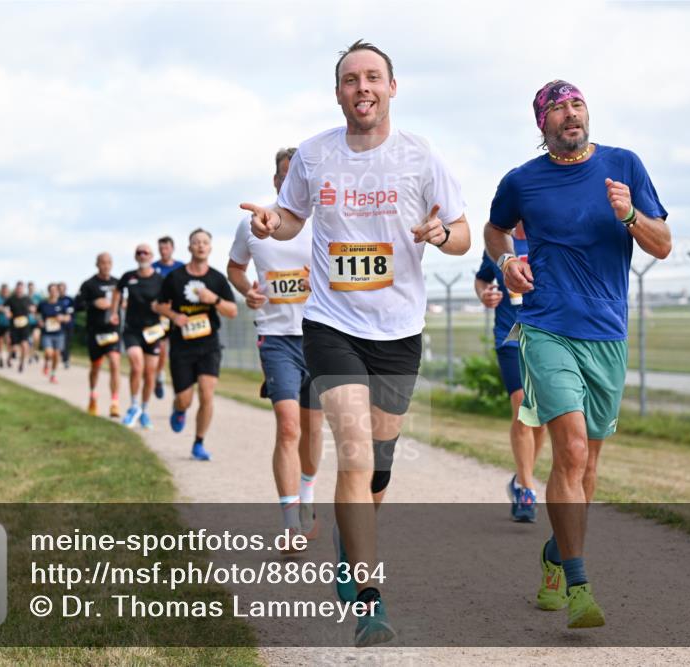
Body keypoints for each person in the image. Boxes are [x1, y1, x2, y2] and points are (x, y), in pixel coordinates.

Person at [240, 40, 469, 647]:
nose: (361, 87)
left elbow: (466, 234)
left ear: (393, 87)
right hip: (331, 324)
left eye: (373, 77)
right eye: (349, 79)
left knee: (380, 467)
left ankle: (352, 541)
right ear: (337, 91)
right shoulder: (315, 155)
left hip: (399, 331)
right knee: (356, 454)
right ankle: (370, 596)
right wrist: (271, 222)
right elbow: (290, 217)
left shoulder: (421, 155)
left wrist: (441, 232)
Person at [485, 79, 671, 629]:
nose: (570, 114)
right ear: (541, 124)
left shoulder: (624, 165)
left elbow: (662, 244)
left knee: (588, 465)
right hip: (545, 328)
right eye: (558, 108)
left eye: (577, 104)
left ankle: (554, 554)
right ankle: (580, 585)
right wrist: (507, 262)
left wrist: (629, 215)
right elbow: (495, 234)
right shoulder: (522, 180)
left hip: (607, 335)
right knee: (567, 452)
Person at [228, 147, 322, 540]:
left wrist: (319, 281)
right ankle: (290, 522)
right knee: (287, 428)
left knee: (313, 430)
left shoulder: (324, 221)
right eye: (287, 175)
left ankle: (307, 496)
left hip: (320, 336)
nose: (293, 181)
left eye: (301, 174)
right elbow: (235, 267)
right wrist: (248, 290)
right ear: (276, 180)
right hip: (276, 337)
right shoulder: (253, 224)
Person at [474, 222, 546, 522]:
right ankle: (527, 490)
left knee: (540, 417)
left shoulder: (550, 237)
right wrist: (485, 295)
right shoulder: (499, 244)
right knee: (522, 407)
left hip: (547, 336)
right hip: (511, 336)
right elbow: (482, 280)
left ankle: (520, 478)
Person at [154, 229, 237, 461]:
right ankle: (179, 409)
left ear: (210, 248)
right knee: (185, 398)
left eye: (205, 242)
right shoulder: (175, 277)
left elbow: (232, 311)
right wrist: (174, 316)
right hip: (182, 345)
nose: (200, 246)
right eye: (196, 242)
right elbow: (158, 305)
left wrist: (215, 300)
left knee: (207, 393)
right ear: (189, 248)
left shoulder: (217, 279)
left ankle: (198, 443)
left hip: (209, 344)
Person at [110, 244, 165, 429]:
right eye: (139, 253)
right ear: (135, 256)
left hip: (153, 331)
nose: (142, 255)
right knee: (136, 364)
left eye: (146, 253)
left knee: (150, 373)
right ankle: (133, 406)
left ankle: (144, 410)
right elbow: (117, 291)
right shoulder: (128, 276)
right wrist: (114, 311)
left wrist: (161, 308)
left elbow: (168, 300)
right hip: (132, 329)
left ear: (151, 256)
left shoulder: (159, 279)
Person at [79, 252, 122, 418]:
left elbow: (124, 301)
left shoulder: (117, 283)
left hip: (112, 330)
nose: (106, 265)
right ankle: (93, 395)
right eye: (103, 262)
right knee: (95, 368)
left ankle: (114, 403)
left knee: (115, 362)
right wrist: (93, 303)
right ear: (97, 264)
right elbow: (78, 305)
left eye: (109, 262)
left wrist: (122, 305)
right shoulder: (89, 284)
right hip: (95, 332)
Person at [152, 236, 185, 399]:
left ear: (172, 249)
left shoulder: (181, 268)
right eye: (161, 249)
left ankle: (181, 387)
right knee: (162, 347)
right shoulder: (153, 268)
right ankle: (159, 375)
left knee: (179, 351)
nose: (163, 251)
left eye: (166, 248)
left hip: (179, 313)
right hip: (162, 314)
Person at [37, 283, 70, 384]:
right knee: (48, 353)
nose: (54, 292)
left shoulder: (61, 304)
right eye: (51, 290)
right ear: (49, 292)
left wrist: (63, 318)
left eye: (55, 290)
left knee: (56, 355)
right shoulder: (43, 304)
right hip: (47, 333)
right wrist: (40, 321)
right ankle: (46, 363)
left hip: (59, 333)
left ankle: (53, 374)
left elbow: (68, 317)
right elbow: (37, 315)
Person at [6, 281, 35, 372]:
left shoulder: (27, 299)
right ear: (16, 289)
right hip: (14, 325)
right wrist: (7, 312)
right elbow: (5, 307)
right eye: (18, 288)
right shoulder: (11, 299)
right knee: (14, 347)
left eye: (21, 288)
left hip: (25, 326)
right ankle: (9, 358)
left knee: (24, 345)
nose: (19, 290)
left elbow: (33, 308)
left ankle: (21, 364)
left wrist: (32, 309)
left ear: (23, 289)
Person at [57, 282, 76, 370]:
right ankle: (65, 359)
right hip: (58, 326)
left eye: (63, 288)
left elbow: (72, 311)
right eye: (59, 289)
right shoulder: (56, 300)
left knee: (67, 343)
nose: (61, 290)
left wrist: (65, 317)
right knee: (61, 343)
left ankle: (65, 359)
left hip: (69, 325)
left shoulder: (70, 299)